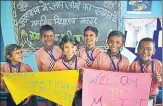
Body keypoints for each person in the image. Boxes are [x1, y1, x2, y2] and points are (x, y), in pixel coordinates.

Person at [54, 34, 87, 106]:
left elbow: (86, 81)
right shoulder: (58, 64)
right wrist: (58, 99)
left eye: (73, 47)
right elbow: (56, 83)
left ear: (77, 47)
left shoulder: (81, 62)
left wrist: (83, 73)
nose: (70, 50)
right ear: (62, 47)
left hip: (79, 94)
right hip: (64, 94)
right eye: (66, 47)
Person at [35, 24, 62, 106]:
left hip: (61, 83)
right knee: (49, 102)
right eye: (45, 36)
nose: (48, 39)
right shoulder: (38, 53)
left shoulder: (60, 50)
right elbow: (40, 69)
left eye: (51, 36)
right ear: (41, 38)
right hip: (48, 84)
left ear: (54, 37)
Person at [130, 38, 162, 105]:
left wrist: (159, 79)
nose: (145, 51)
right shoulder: (133, 65)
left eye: (149, 49)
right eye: (142, 48)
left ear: (153, 51)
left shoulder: (158, 64)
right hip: (136, 96)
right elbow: (128, 83)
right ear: (138, 50)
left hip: (152, 96)